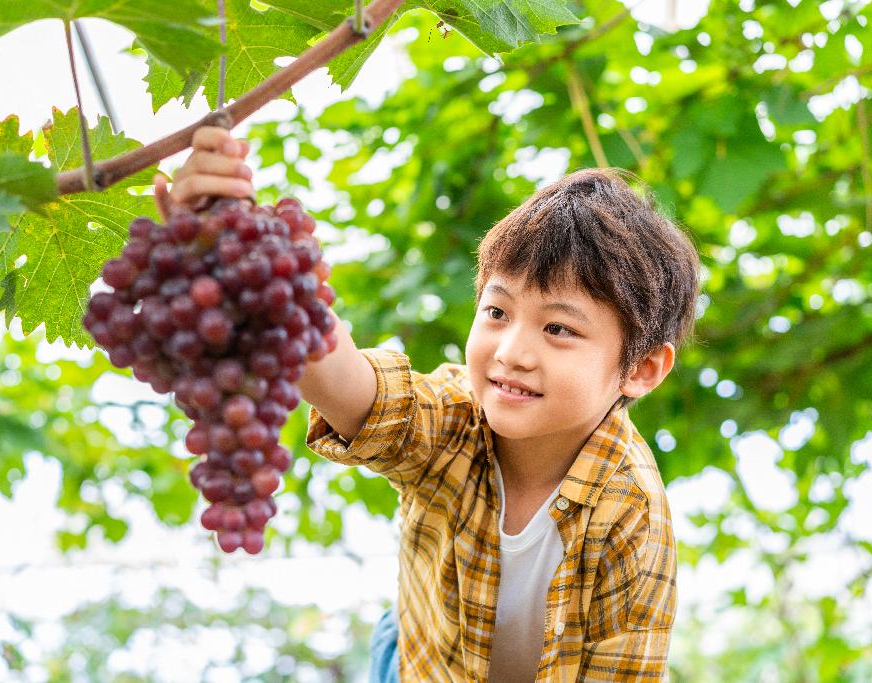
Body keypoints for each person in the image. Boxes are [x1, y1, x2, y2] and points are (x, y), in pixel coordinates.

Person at [155, 126, 700, 682]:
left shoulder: (632, 515)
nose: (512, 353)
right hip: (415, 663)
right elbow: (350, 388)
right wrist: (250, 257)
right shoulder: (456, 418)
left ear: (641, 369)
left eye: (558, 328)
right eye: (497, 313)